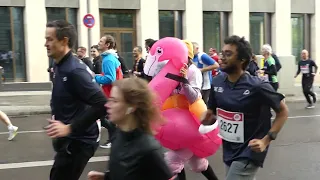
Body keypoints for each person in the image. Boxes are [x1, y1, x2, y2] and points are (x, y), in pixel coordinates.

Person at [202, 35, 289, 180]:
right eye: (222, 53)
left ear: (242, 60)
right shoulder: (217, 82)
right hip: (229, 148)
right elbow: (212, 111)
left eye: (228, 54)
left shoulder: (258, 86)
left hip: (250, 150)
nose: (221, 57)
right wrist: (207, 118)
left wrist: (266, 140)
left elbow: (283, 111)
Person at [44, 20, 107, 180]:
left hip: (80, 141)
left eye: (50, 39)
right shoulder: (58, 65)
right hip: (69, 140)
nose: (46, 44)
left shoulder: (75, 71)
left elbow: (102, 104)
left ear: (64, 41)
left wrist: (69, 128)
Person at [87, 78, 174, 180]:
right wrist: (106, 177)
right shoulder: (118, 134)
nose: (107, 105)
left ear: (131, 107)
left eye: (114, 101)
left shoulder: (149, 149)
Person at [165, 40, 219, 180]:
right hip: (177, 121)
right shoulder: (172, 70)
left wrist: (183, 80)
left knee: (173, 160)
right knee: (197, 162)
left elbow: (194, 97)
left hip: (191, 122)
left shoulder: (193, 71)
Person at [95, 35, 123, 149]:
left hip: (110, 94)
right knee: (107, 117)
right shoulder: (110, 57)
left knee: (102, 116)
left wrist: (95, 78)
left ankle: (114, 139)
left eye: (101, 41)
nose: (98, 42)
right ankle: (114, 140)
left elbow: (111, 78)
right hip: (112, 93)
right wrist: (98, 75)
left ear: (107, 45)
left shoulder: (108, 59)